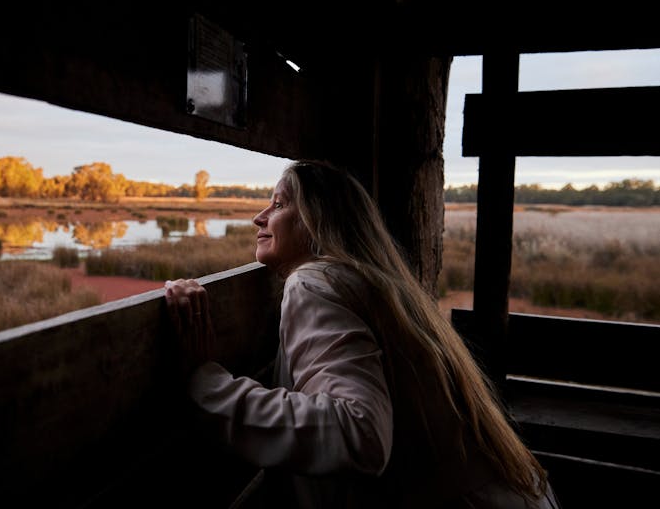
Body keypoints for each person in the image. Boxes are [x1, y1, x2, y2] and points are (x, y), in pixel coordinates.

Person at [165, 159, 561, 508]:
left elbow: (360, 431)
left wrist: (210, 387)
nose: (260, 217)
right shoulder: (373, 282)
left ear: (319, 220)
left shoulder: (314, 282)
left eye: (280, 203)